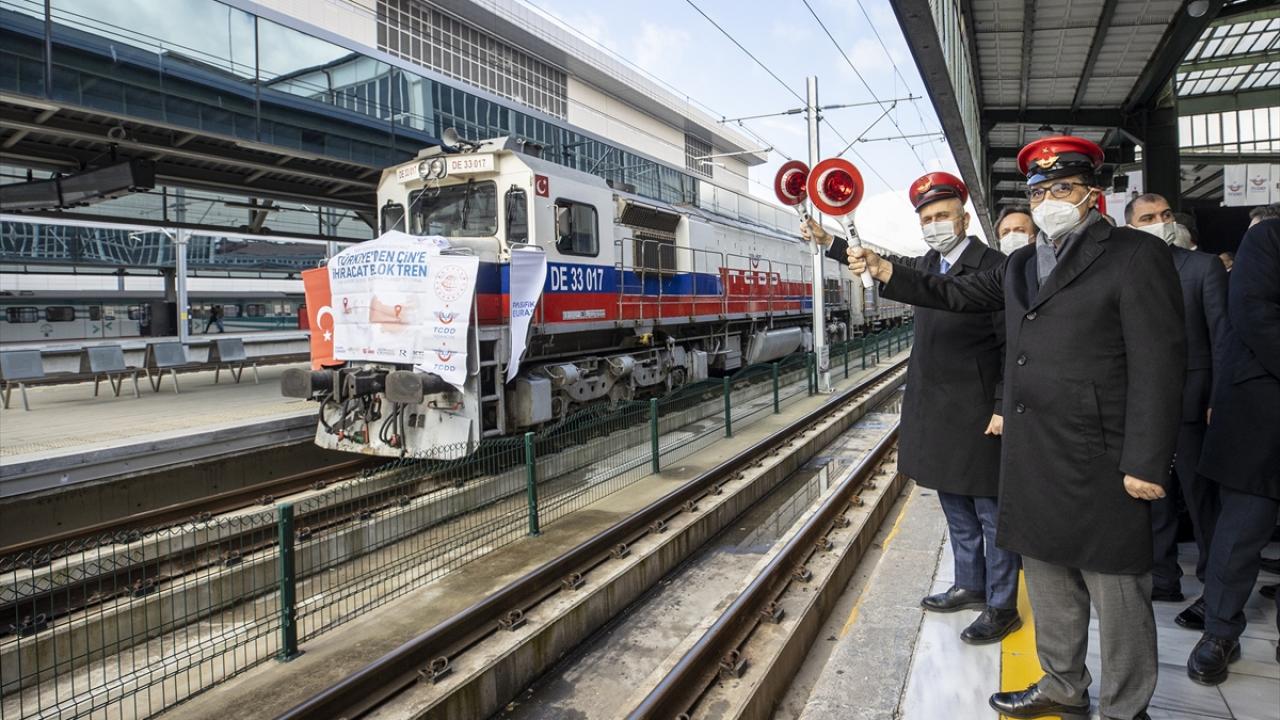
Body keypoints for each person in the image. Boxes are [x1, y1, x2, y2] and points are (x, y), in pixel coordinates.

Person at [845, 136, 1185, 720]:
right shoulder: (1021, 264)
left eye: (1063, 188)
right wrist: (883, 268)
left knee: (1118, 590)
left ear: (1092, 195)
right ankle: (1062, 684)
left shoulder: (1133, 255)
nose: (1050, 199)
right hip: (1034, 453)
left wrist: (1147, 462)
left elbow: (1160, 362)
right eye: (1039, 190)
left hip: (1102, 456)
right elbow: (949, 290)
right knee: (1048, 580)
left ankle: (1128, 708)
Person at [805, 172, 1019, 644]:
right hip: (936, 406)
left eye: (942, 216)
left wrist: (1003, 404)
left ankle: (1003, 605)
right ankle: (970, 582)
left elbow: (1011, 345)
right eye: (927, 218)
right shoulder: (928, 262)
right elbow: (889, 265)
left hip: (981, 407)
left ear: (964, 218)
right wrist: (831, 242)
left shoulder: (994, 267)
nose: (935, 224)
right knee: (954, 503)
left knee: (991, 511)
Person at [1125, 193, 1228, 615]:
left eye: (1165, 214)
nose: (1160, 221)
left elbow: (1223, 336)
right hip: (1142, 408)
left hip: (1192, 403)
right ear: (1131, 227)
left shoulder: (1201, 267)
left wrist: (1218, 398)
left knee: (1200, 497)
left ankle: (1214, 584)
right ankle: (1163, 578)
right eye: (1148, 217)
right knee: (1154, 498)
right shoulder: (1127, 271)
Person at [1188, 218, 1280, 680]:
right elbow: (1254, 313)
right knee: (1241, 532)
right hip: (1265, 418)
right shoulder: (1270, 237)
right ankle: (1219, 633)